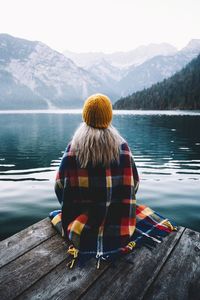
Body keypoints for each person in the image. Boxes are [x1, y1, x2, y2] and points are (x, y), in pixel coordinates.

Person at [49, 93, 176, 269]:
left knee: (57, 215)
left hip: (81, 224)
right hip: (120, 224)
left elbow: (59, 186)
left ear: (85, 116)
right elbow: (135, 185)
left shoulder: (73, 147)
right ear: (109, 116)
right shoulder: (123, 146)